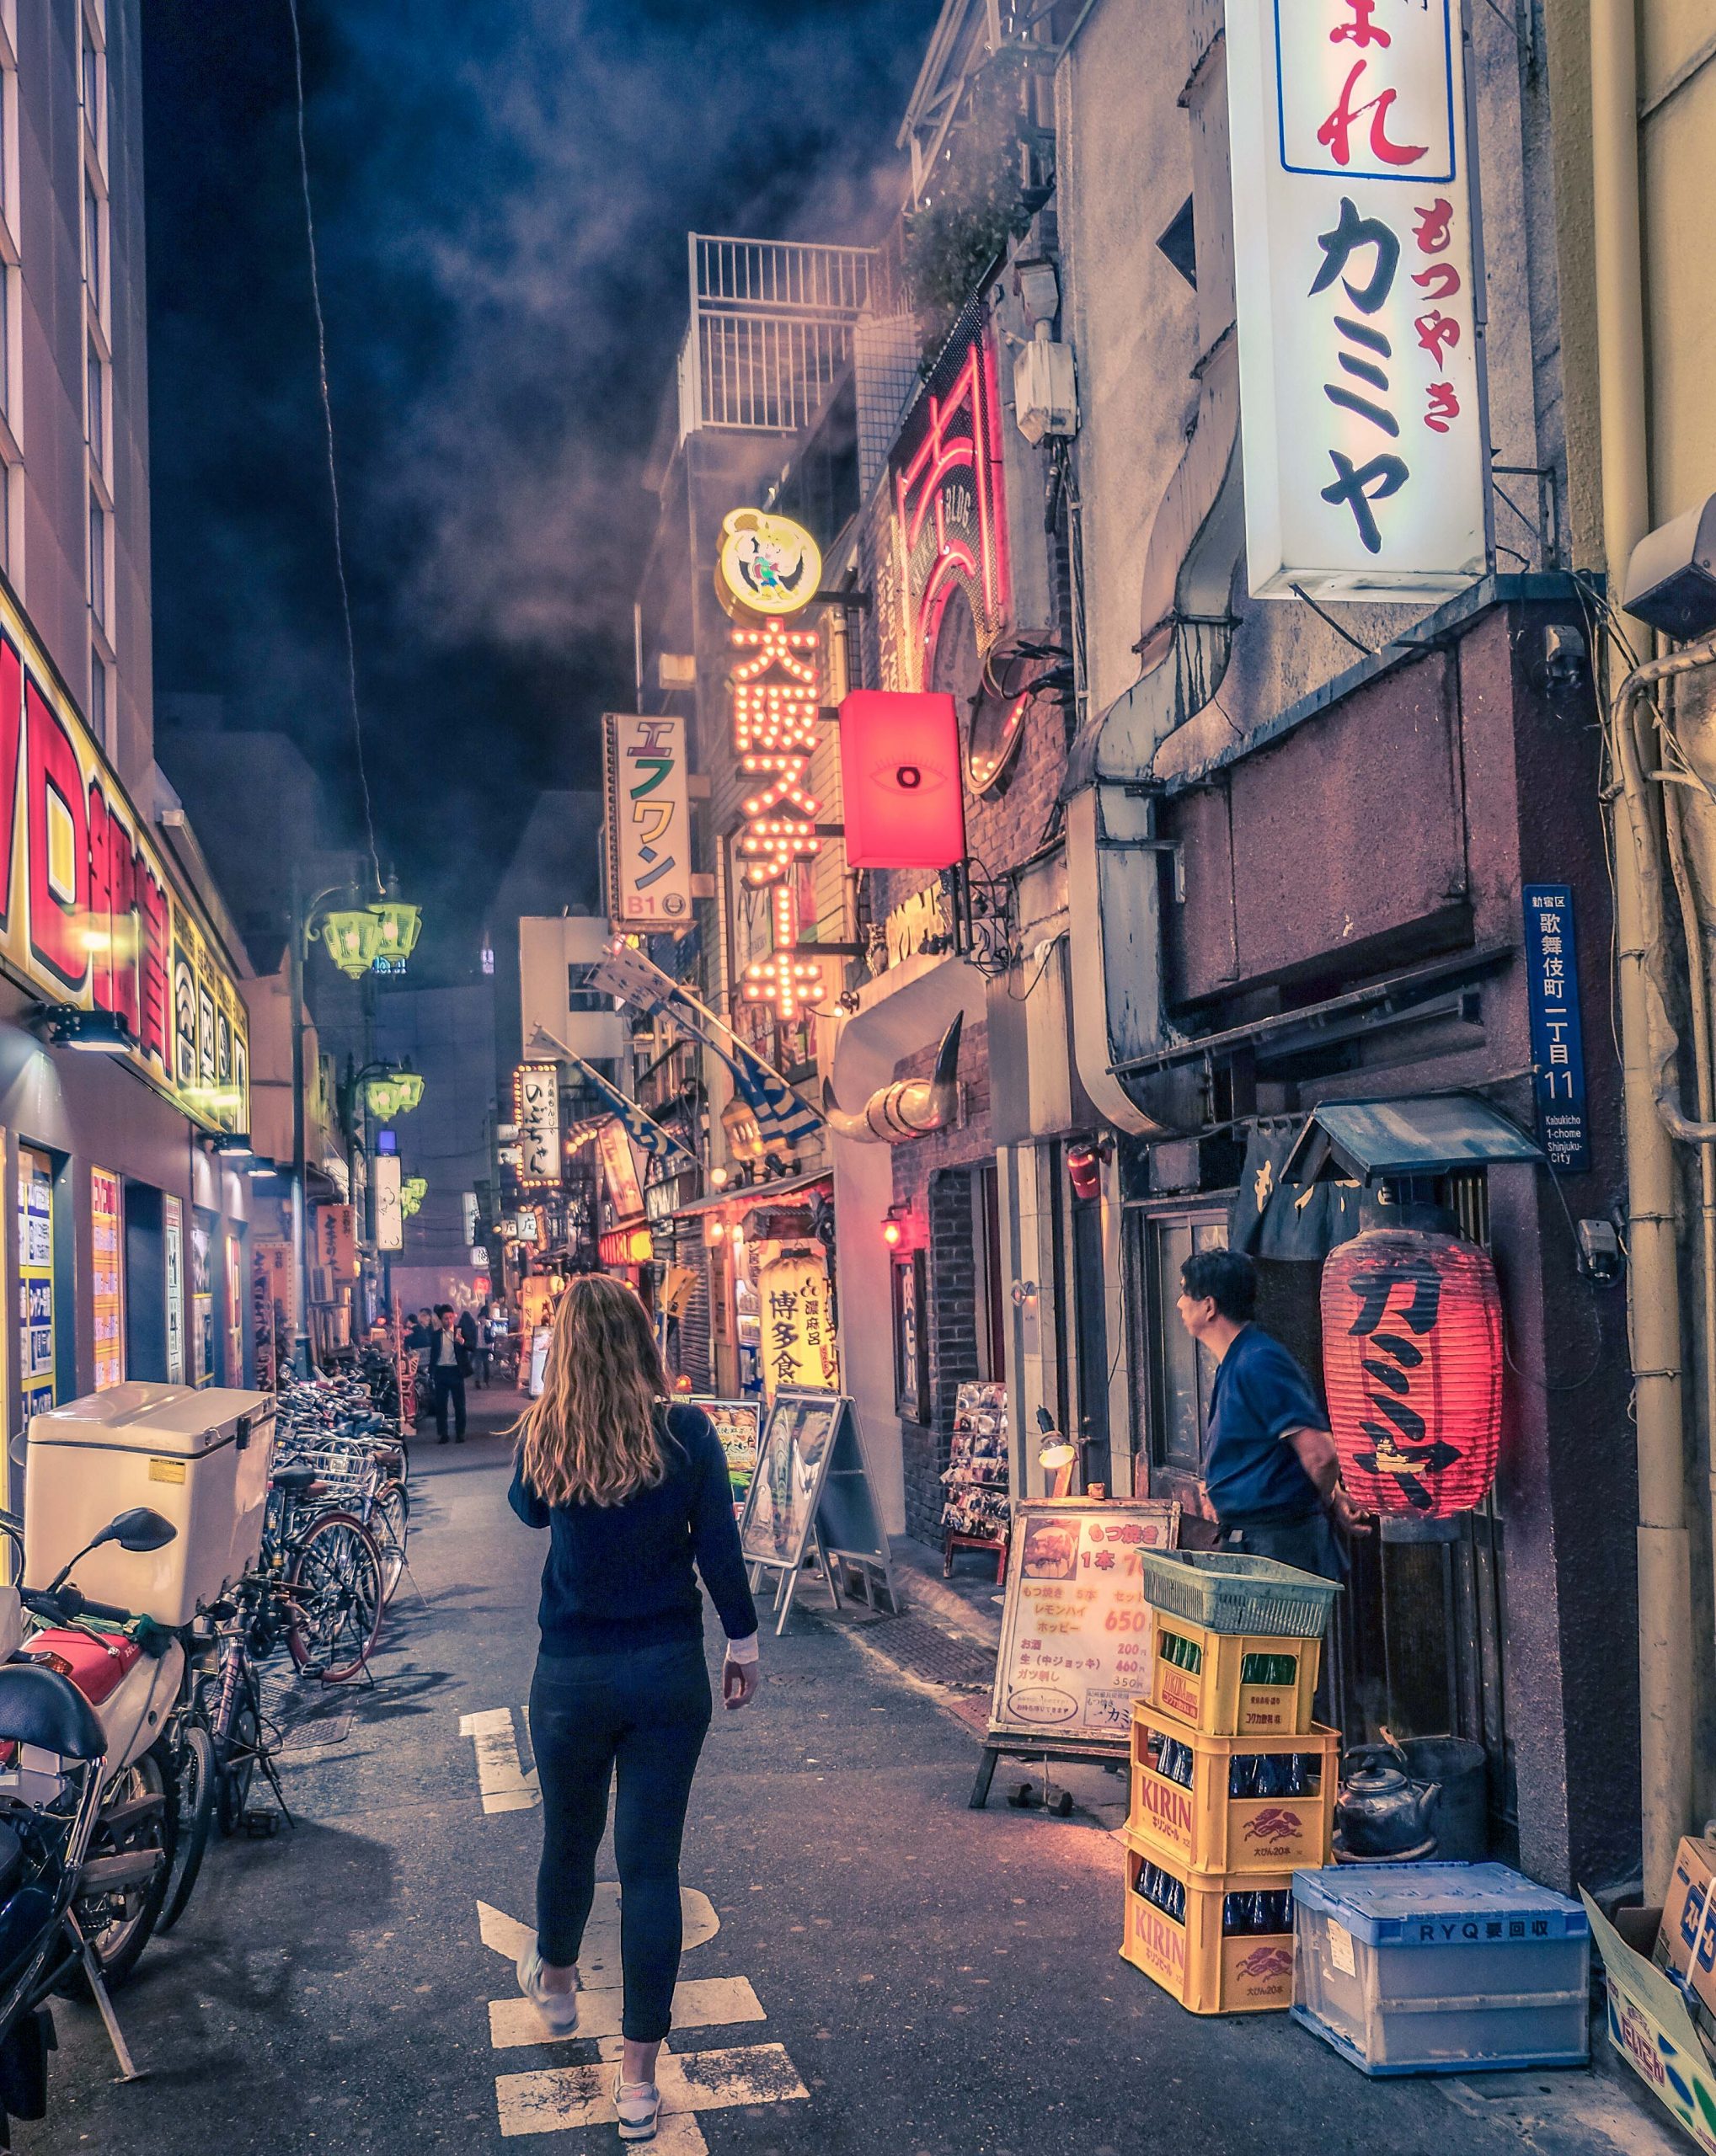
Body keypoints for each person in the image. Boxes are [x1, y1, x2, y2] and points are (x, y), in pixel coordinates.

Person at [508, 1274, 759, 2145]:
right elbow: (719, 1546)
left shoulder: (551, 1429)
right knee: (651, 1869)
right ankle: (640, 2084)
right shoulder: (685, 1429)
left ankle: (560, 1982)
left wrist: (549, 1404)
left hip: (572, 1674)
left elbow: (527, 1510)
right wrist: (744, 1640)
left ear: (566, 1347)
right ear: (646, 1339)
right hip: (665, 1673)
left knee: (568, 1842)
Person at [1175, 1247, 1366, 1582]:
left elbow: (1320, 1456)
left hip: (1280, 1547)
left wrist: (1325, 1497)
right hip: (1257, 1541)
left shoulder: (1259, 1361)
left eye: (1185, 1292)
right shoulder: (1237, 1360)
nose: (1179, 1303)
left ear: (1209, 1305)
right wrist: (1333, 1497)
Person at [428, 1304, 468, 1444]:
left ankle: (460, 1433)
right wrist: (431, 1372)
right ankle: (443, 1434)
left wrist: (462, 1342)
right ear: (441, 1320)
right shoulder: (436, 1335)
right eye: (445, 1318)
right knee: (441, 1405)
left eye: (451, 1318)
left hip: (456, 1371)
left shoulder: (459, 1332)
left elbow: (472, 1346)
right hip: (441, 1371)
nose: (449, 1321)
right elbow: (433, 1354)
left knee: (459, 1405)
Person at [472, 1302, 495, 1390]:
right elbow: (473, 1337)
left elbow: (492, 1337)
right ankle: (477, 1382)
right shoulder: (476, 1327)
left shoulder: (488, 1328)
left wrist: (490, 1344)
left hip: (485, 1348)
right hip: (478, 1348)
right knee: (478, 1365)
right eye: (481, 1318)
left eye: (484, 1318)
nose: (482, 1319)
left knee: (486, 1365)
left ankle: (486, 1381)